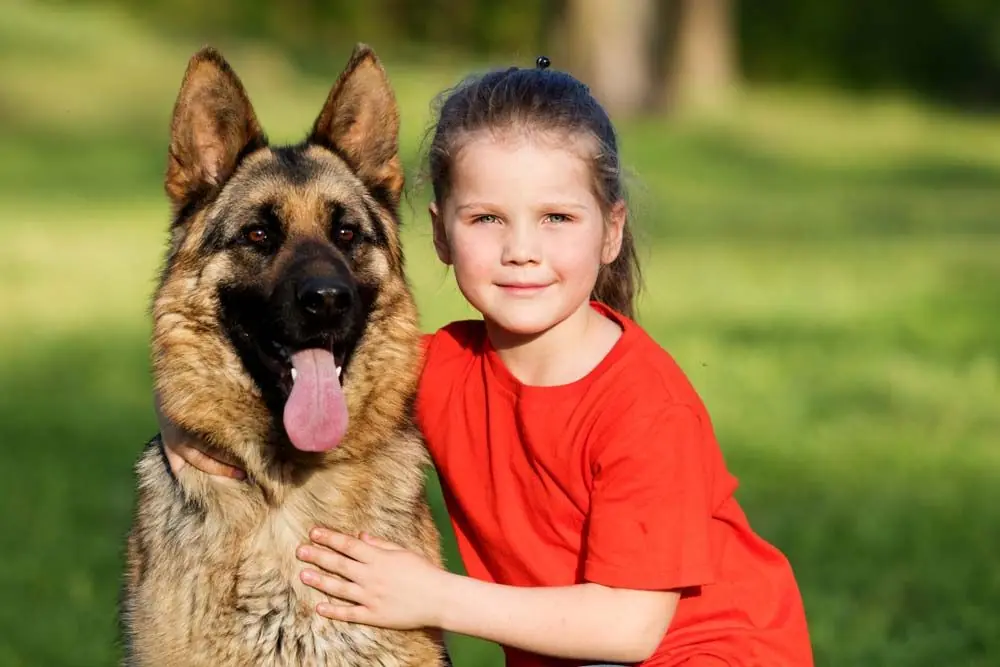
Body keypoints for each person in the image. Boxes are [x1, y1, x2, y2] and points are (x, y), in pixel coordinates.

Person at [160, 57, 815, 667]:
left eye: (556, 216)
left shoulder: (646, 405)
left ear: (611, 230)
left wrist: (432, 595)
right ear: (441, 232)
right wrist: (188, 422)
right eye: (488, 218)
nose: (521, 249)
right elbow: (252, 375)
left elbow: (630, 625)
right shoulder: (441, 370)